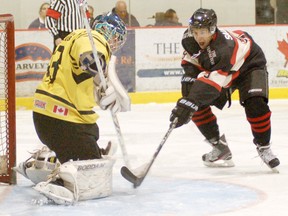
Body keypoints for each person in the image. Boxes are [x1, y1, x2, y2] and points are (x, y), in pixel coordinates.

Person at [14, 12, 130, 205]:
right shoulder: (93, 39)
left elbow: (79, 75)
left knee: (92, 131)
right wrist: (97, 64)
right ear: (107, 31)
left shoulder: (72, 36)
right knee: (92, 170)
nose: (116, 43)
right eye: (116, 37)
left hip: (45, 115)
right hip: (65, 120)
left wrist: (101, 89)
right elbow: (89, 57)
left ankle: (45, 161)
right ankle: (61, 180)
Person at [169, 8, 280, 170]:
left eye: (203, 32)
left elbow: (213, 84)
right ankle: (218, 146)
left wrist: (190, 102)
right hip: (223, 69)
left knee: (255, 103)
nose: (199, 36)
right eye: (196, 31)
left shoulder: (224, 48)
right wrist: (187, 102)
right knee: (191, 98)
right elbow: (190, 65)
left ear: (212, 30)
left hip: (249, 64)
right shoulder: (188, 39)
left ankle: (264, 147)